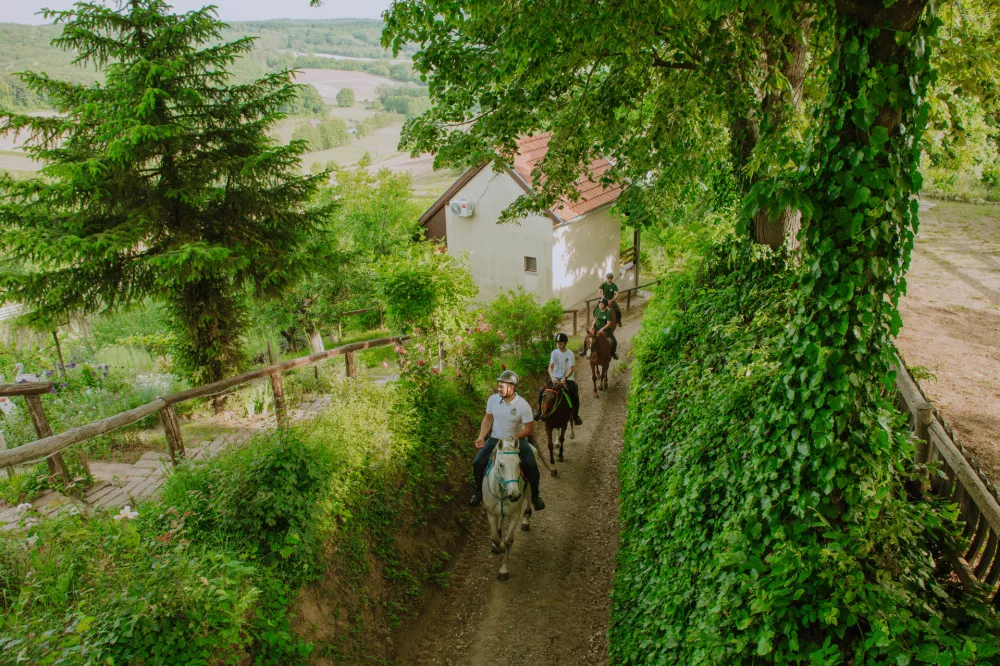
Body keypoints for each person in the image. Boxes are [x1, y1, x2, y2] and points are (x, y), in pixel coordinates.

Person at [470, 370, 545, 510]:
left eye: (501, 386)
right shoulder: (493, 400)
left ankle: (535, 497)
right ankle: (479, 492)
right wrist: (481, 436)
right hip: (495, 440)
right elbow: (488, 419)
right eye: (498, 385)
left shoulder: (523, 405)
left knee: (532, 466)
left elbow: (529, 429)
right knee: (477, 463)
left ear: (511, 388)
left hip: (517, 442)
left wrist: (514, 437)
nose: (498, 388)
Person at [535, 333, 583, 426]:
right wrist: (552, 377)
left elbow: (571, 369)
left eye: (560, 343)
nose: (559, 345)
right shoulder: (554, 353)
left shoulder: (570, 354)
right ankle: (539, 412)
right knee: (542, 391)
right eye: (557, 343)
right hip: (555, 378)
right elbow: (550, 367)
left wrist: (564, 378)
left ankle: (576, 416)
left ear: (565, 343)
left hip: (567, 378)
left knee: (575, 396)